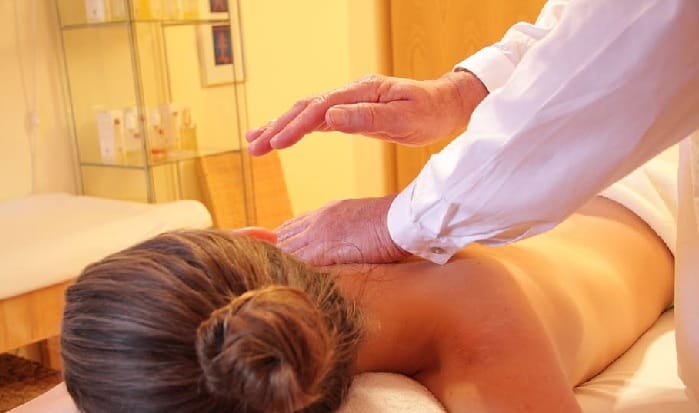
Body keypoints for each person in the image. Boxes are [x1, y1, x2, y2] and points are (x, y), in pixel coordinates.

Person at [246, 0, 699, 398]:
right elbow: (626, 21)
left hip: (634, 193)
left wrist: (402, 219)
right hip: (644, 200)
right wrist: (461, 94)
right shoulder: (468, 312)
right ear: (254, 237)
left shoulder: (459, 316)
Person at [8, 159, 676, 412]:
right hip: (570, 182)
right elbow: (147, 351)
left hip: (658, 194)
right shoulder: (279, 274)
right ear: (258, 238)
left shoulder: (482, 322)